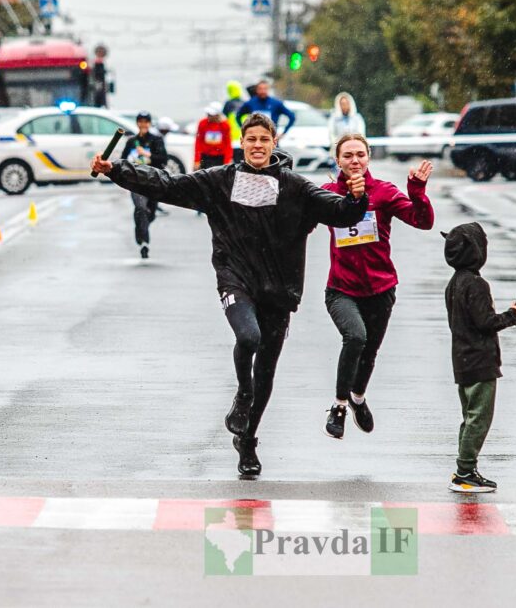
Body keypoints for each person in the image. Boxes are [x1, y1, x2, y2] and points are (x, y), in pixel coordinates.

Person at [91, 113, 368, 478]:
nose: (257, 145)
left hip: (279, 289)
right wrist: (118, 170)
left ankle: (248, 441)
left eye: (263, 140)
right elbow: (167, 184)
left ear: (273, 144)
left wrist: (356, 196)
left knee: (266, 371)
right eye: (250, 139)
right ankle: (242, 393)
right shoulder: (220, 181)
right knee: (248, 336)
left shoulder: (294, 187)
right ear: (242, 143)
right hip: (235, 278)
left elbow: (339, 212)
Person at [321, 134, 434, 439]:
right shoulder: (329, 194)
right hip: (341, 289)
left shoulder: (383, 192)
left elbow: (423, 221)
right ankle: (339, 406)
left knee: (370, 351)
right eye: (348, 156)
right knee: (355, 337)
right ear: (338, 161)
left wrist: (417, 192)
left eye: (360, 154)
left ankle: (358, 397)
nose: (354, 161)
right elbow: (298, 218)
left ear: (368, 157)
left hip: (381, 289)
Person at [443, 222, 516, 493]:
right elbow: (486, 321)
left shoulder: (454, 283)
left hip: (462, 360)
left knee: (469, 417)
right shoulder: (476, 284)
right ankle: (464, 471)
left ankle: (465, 469)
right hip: (480, 361)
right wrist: (513, 315)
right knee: (479, 418)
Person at [122, 111, 168, 259]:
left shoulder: (156, 141)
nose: (143, 124)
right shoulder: (131, 142)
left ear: (149, 123)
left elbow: (163, 160)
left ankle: (140, 227)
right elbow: (123, 161)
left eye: (146, 122)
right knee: (140, 208)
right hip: (136, 182)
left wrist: (148, 155)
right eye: (140, 122)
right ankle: (144, 242)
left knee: (150, 213)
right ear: (137, 123)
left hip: (153, 181)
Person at [194, 102, 233, 170]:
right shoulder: (202, 123)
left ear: (218, 115)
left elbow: (228, 145)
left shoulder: (225, 125)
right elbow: (198, 142)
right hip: (205, 157)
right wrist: (197, 160)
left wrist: (227, 161)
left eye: (211, 114)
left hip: (220, 158)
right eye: (208, 114)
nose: (208, 116)